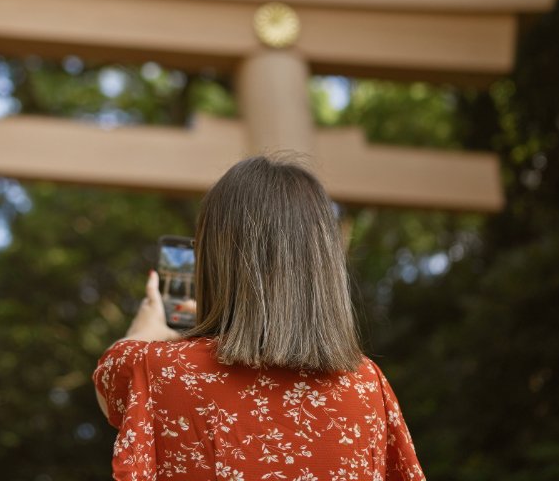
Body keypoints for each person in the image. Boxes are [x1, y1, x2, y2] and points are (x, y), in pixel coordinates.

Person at [93, 155, 425, 480]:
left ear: (213, 262)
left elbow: (109, 382)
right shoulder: (368, 383)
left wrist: (148, 328)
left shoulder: (156, 370)